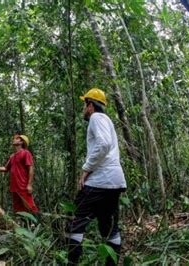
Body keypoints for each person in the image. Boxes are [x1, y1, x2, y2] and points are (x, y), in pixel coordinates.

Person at [66, 88, 127, 265]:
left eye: (84, 105)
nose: (83, 109)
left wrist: (86, 169)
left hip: (99, 181)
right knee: (109, 228)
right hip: (113, 182)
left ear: (90, 105)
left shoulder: (96, 118)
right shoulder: (106, 120)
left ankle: (72, 263)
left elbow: (104, 144)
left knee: (75, 222)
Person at [0, 134, 39, 214]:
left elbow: (31, 169)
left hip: (23, 185)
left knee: (30, 206)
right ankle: (23, 225)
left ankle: (35, 224)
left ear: (22, 142)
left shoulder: (26, 153)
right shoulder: (12, 156)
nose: (14, 139)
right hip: (14, 187)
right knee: (18, 209)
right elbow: (5, 169)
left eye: (17, 138)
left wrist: (29, 185)